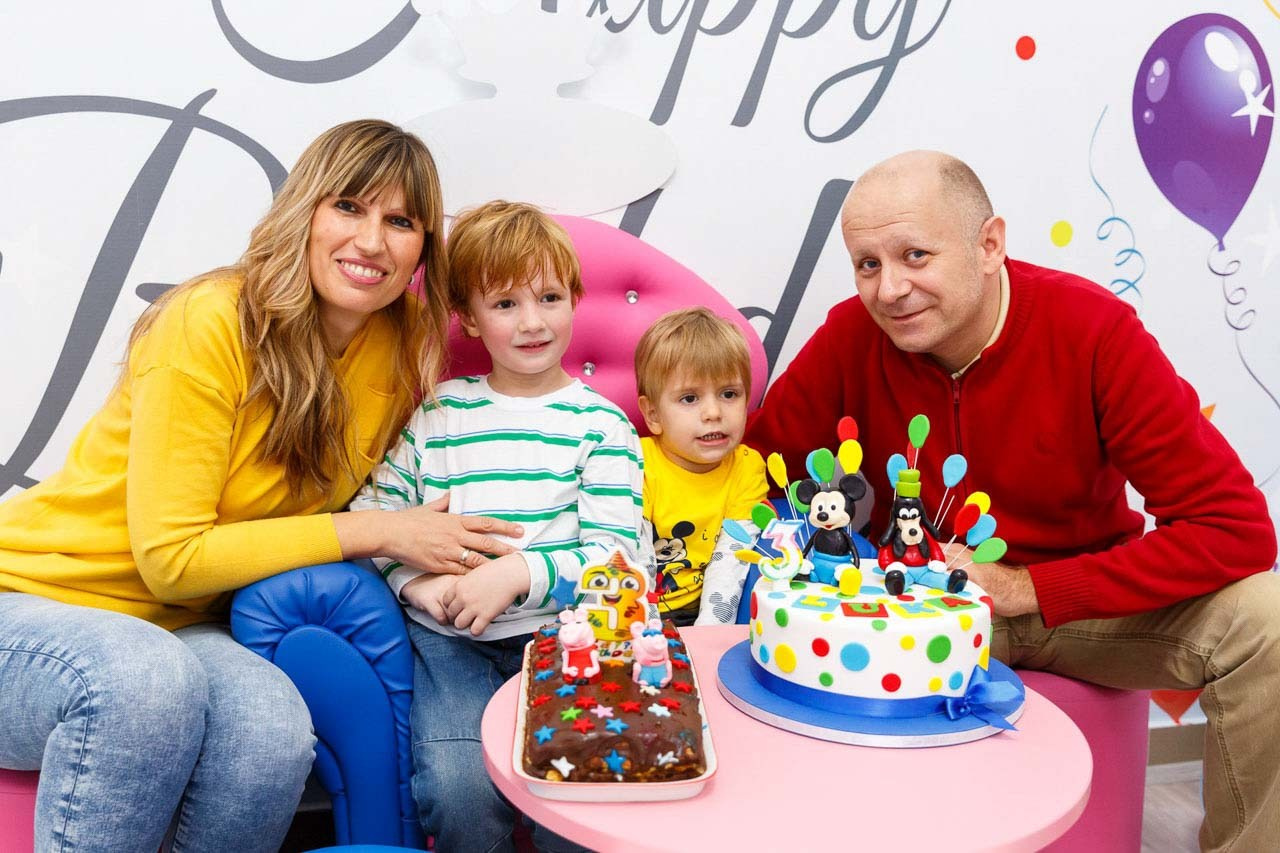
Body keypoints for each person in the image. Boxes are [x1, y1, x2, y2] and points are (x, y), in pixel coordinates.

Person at [0, 119, 525, 851]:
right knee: (143, 681)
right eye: (348, 206)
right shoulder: (210, 320)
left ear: (421, 249)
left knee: (273, 732)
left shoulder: (401, 339)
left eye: (400, 221)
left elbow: (389, 496)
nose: (371, 241)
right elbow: (172, 559)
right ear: (304, 210)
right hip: (33, 601)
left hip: (183, 626)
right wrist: (381, 532)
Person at [745, 149, 1279, 852]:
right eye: (867, 264)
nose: (890, 289)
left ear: (989, 244)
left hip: (1085, 612)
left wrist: (1030, 588)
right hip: (918, 612)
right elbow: (758, 477)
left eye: (914, 255)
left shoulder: (1094, 331)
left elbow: (1236, 529)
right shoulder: (852, 335)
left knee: (1269, 622)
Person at [349, 200, 647, 852]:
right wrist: (418, 585)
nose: (532, 322)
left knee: (576, 798)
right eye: (506, 304)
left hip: (569, 644)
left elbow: (619, 560)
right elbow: (375, 514)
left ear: (575, 300)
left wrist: (516, 573)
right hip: (453, 649)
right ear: (469, 318)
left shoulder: (602, 426)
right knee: (456, 791)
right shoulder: (439, 414)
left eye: (549, 298)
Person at [634, 307, 767, 625]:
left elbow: (731, 561)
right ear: (653, 414)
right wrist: (648, 635)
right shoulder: (636, 462)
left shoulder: (747, 467)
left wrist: (708, 636)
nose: (713, 413)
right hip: (637, 613)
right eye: (690, 399)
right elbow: (632, 559)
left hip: (703, 615)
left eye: (729, 394)